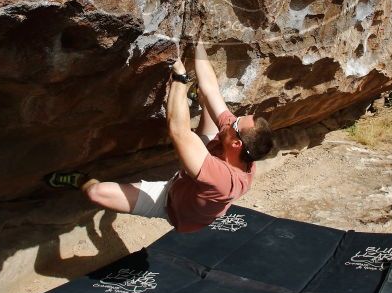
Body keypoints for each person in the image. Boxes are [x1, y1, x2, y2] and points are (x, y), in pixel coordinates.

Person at [45, 41, 274, 233]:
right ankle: (196, 99)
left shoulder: (223, 180)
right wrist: (198, 42)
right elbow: (212, 89)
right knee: (209, 105)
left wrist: (180, 79)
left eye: (235, 123)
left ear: (236, 142)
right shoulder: (242, 148)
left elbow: (178, 130)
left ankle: (80, 179)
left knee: (97, 193)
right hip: (199, 172)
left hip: (170, 203)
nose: (231, 119)